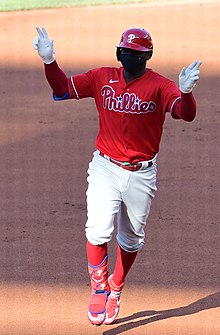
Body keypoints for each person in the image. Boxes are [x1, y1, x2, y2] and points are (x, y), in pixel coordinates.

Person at [34, 26, 202, 325]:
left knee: (132, 239)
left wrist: (186, 92)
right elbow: (62, 89)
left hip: (141, 173)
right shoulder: (101, 77)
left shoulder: (161, 86)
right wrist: (49, 61)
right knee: (97, 229)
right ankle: (99, 287)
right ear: (118, 52)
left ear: (147, 56)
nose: (129, 56)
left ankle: (116, 286)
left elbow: (185, 114)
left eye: (136, 54)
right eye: (125, 51)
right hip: (105, 167)